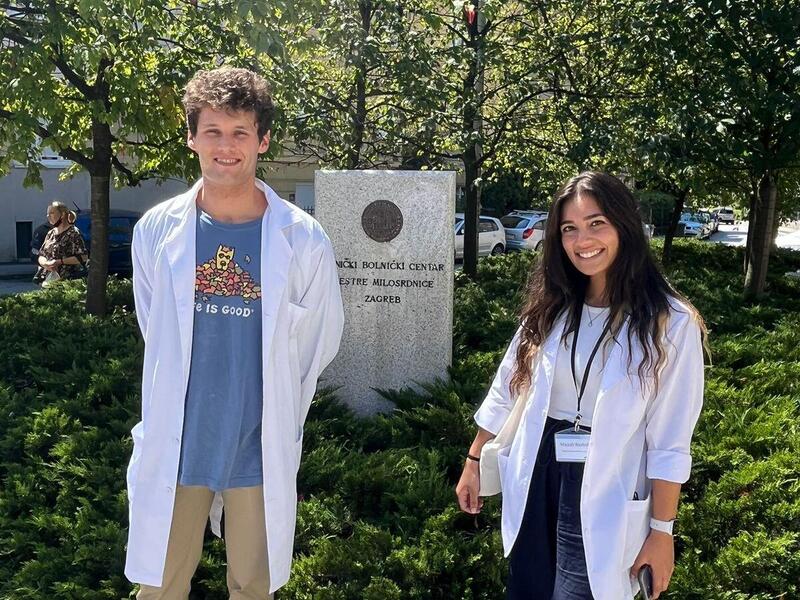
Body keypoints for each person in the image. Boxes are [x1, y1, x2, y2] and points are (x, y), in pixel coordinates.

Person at [125, 67, 344, 599]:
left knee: (252, 587)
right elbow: (155, 327)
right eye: (213, 131)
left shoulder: (303, 239)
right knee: (160, 586)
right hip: (179, 444)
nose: (226, 147)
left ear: (262, 140)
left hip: (257, 446)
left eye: (240, 132)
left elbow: (317, 343)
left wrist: (280, 410)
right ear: (192, 138)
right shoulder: (156, 230)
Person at [455, 172, 706, 600]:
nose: (582, 240)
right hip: (539, 469)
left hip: (607, 478)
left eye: (596, 223)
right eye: (569, 228)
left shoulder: (671, 323)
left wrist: (662, 532)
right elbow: (509, 384)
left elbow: (669, 441)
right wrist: (474, 457)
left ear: (624, 226)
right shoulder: (552, 305)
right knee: (529, 589)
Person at [34, 201, 88, 285]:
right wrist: (45, 263)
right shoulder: (51, 233)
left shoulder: (73, 233)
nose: (48, 216)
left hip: (67, 282)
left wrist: (59, 262)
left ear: (62, 215)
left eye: (52, 213)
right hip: (48, 281)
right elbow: (41, 254)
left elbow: (83, 257)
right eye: (47, 213)